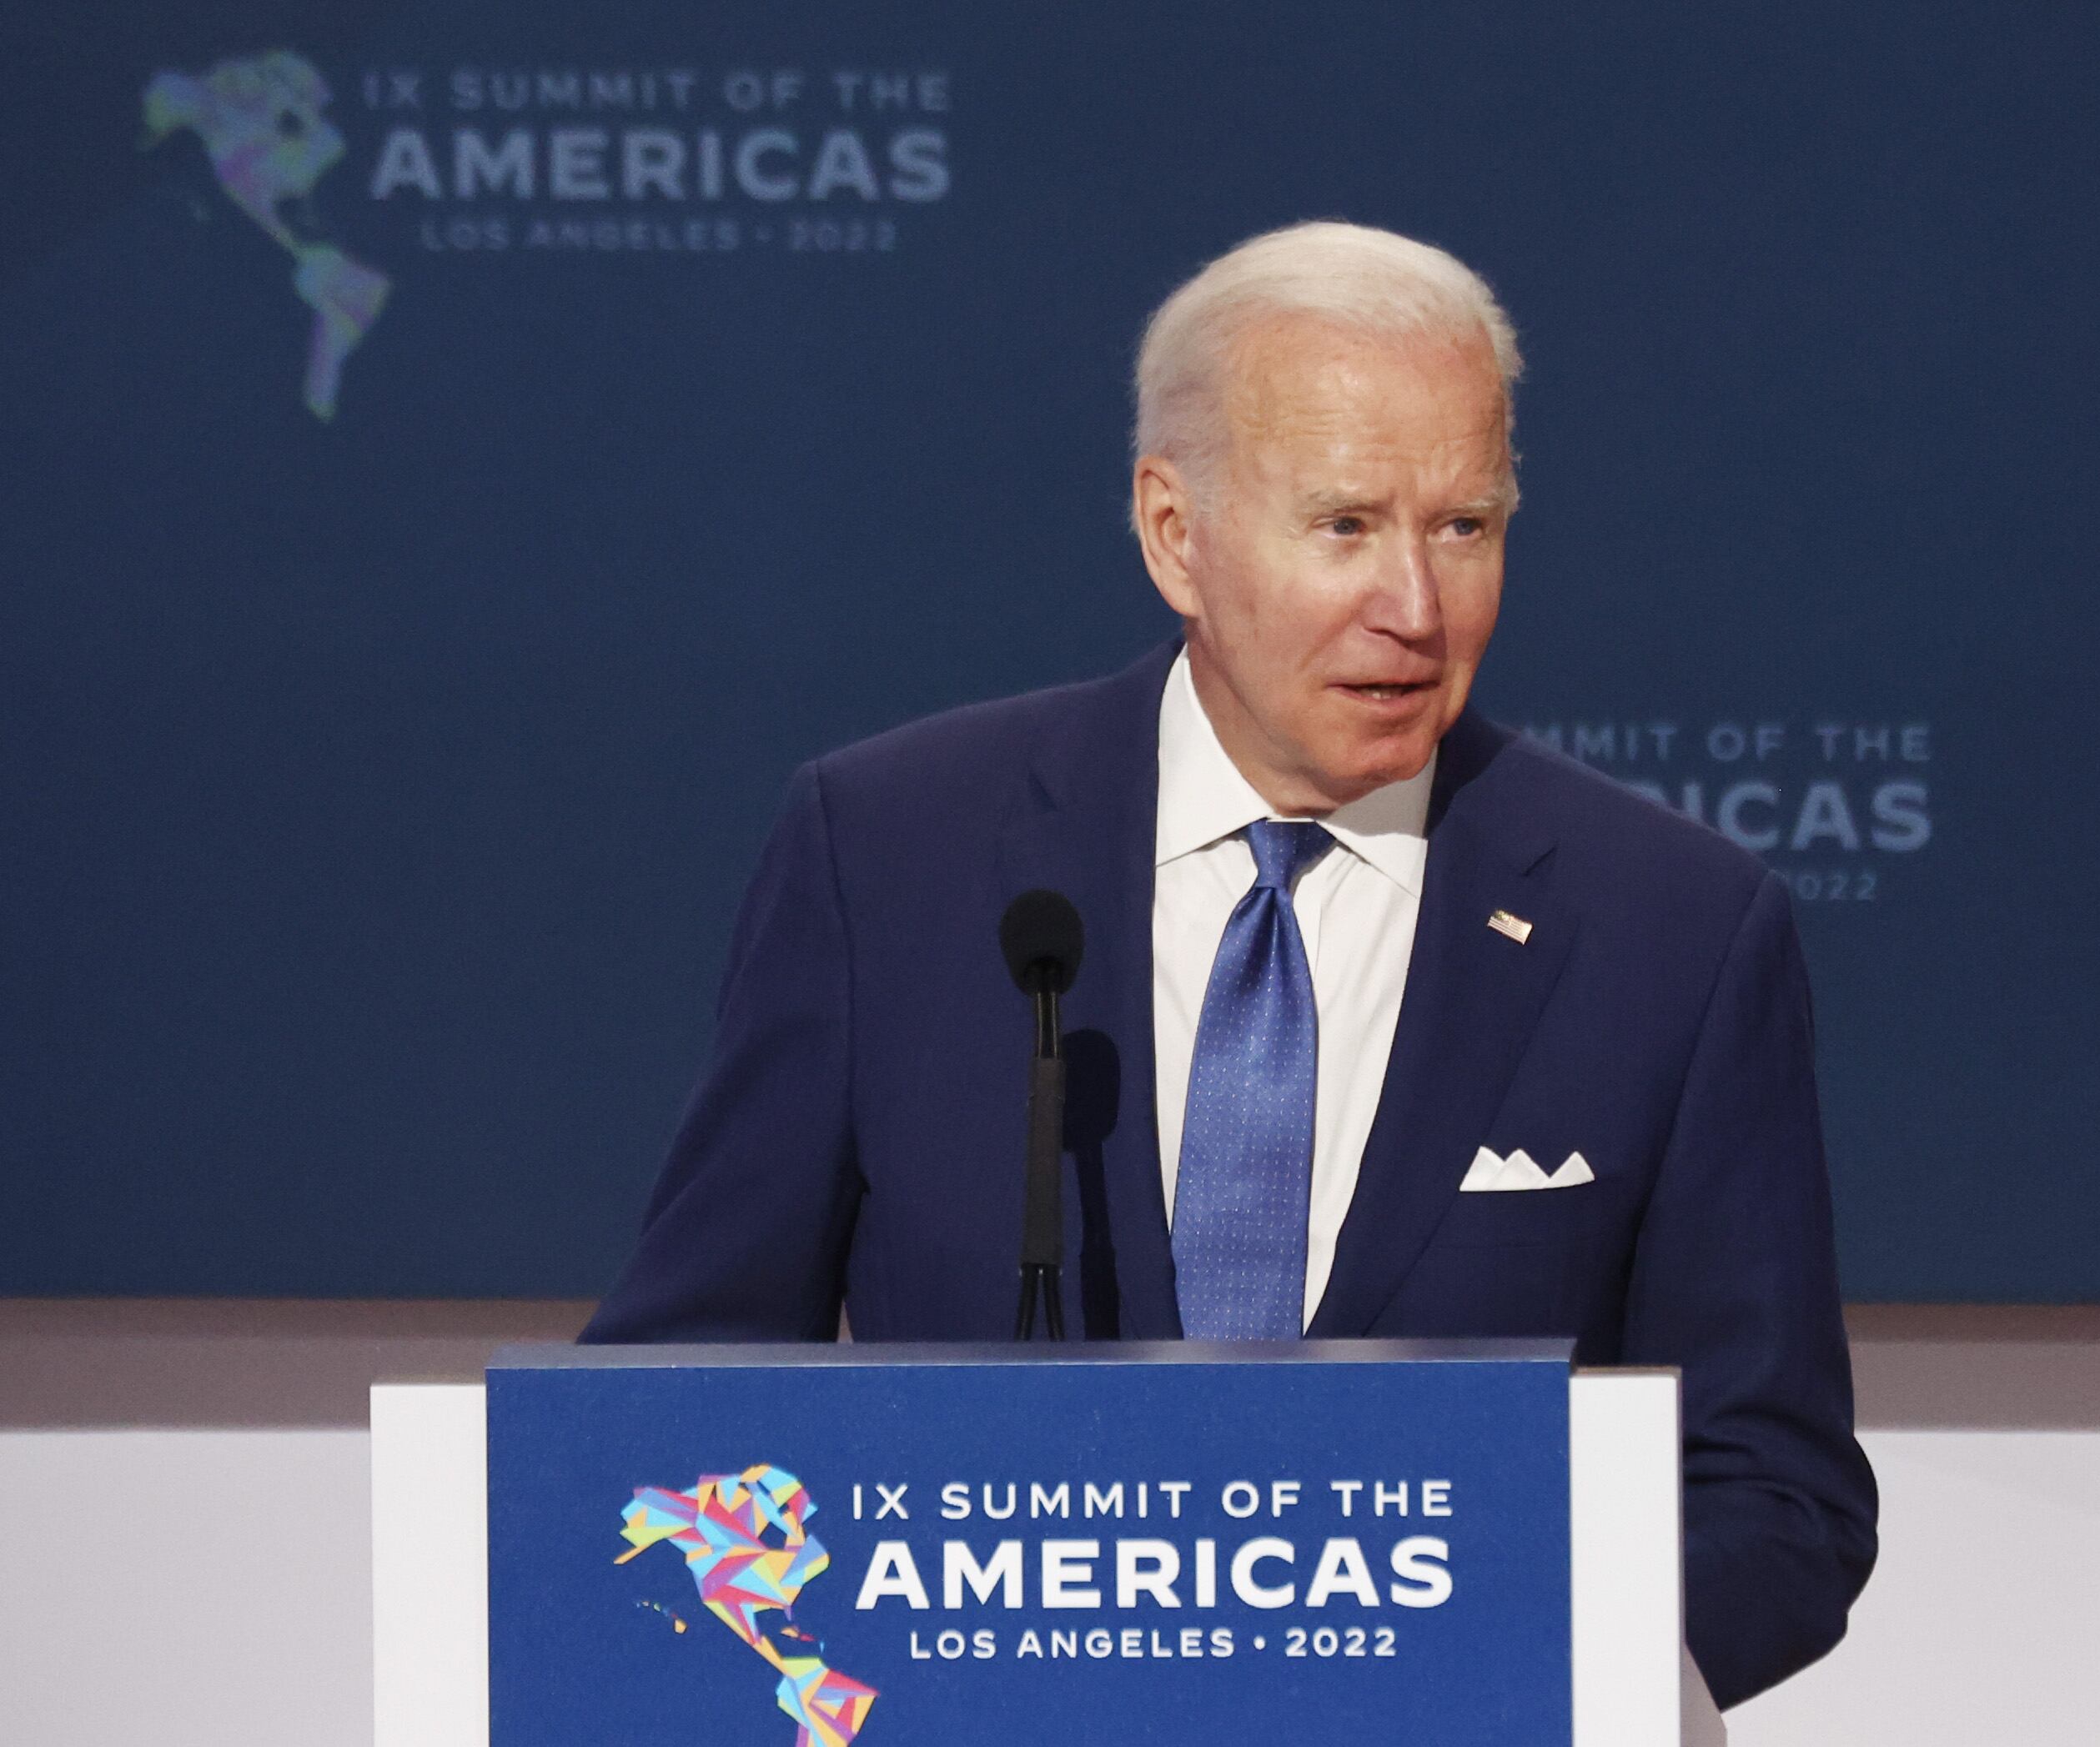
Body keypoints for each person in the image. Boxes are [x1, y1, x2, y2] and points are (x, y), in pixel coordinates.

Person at [583, 220, 1877, 1713]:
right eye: (1343, 525)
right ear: (1172, 532)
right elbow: (679, 1388)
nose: (1416, 603)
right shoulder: (888, 855)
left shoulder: (1671, 927)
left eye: (1464, 525)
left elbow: (1773, 1492)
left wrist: (1490, 1680)